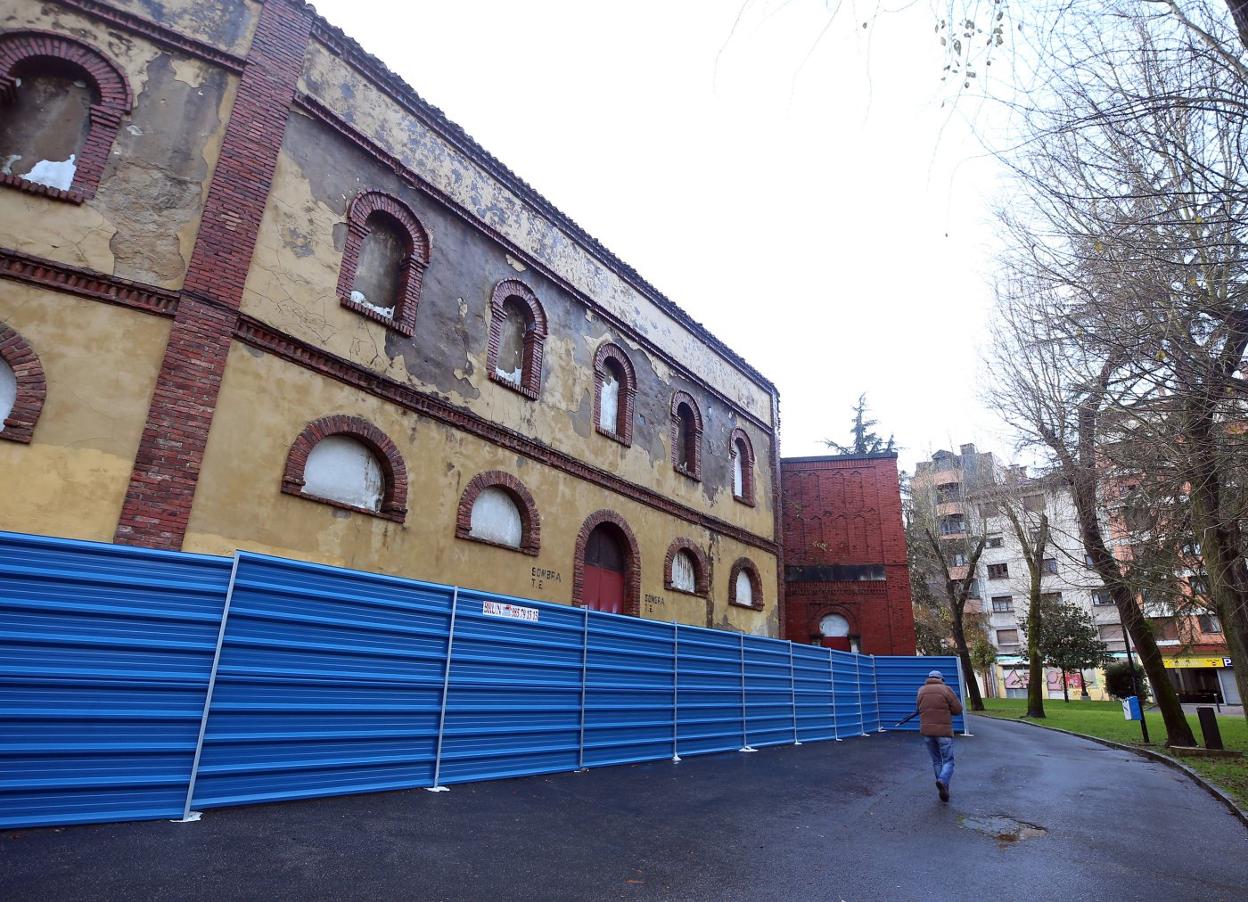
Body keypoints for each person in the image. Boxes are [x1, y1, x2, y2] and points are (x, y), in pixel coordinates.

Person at [917, 669, 963, 802]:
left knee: (936, 761)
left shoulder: (921, 690)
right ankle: (943, 781)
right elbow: (958, 709)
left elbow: (919, 708)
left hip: (927, 731)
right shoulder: (946, 689)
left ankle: (944, 788)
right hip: (943, 731)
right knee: (948, 760)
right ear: (941, 679)